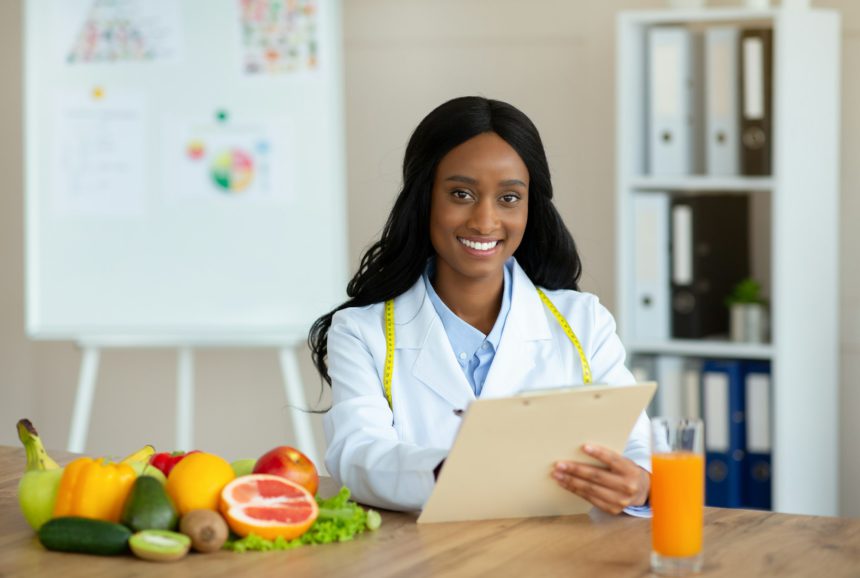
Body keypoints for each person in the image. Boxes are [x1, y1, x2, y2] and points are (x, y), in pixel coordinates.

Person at [308, 96, 650, 516]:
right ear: (425, 198)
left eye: (509, 198)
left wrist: (639, 482)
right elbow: (356, 455)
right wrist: (453, 472)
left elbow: (638, 447)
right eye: (461, 193)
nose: (485, 221)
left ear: (530, 207)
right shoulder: (361, 331)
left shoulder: (584, 322)